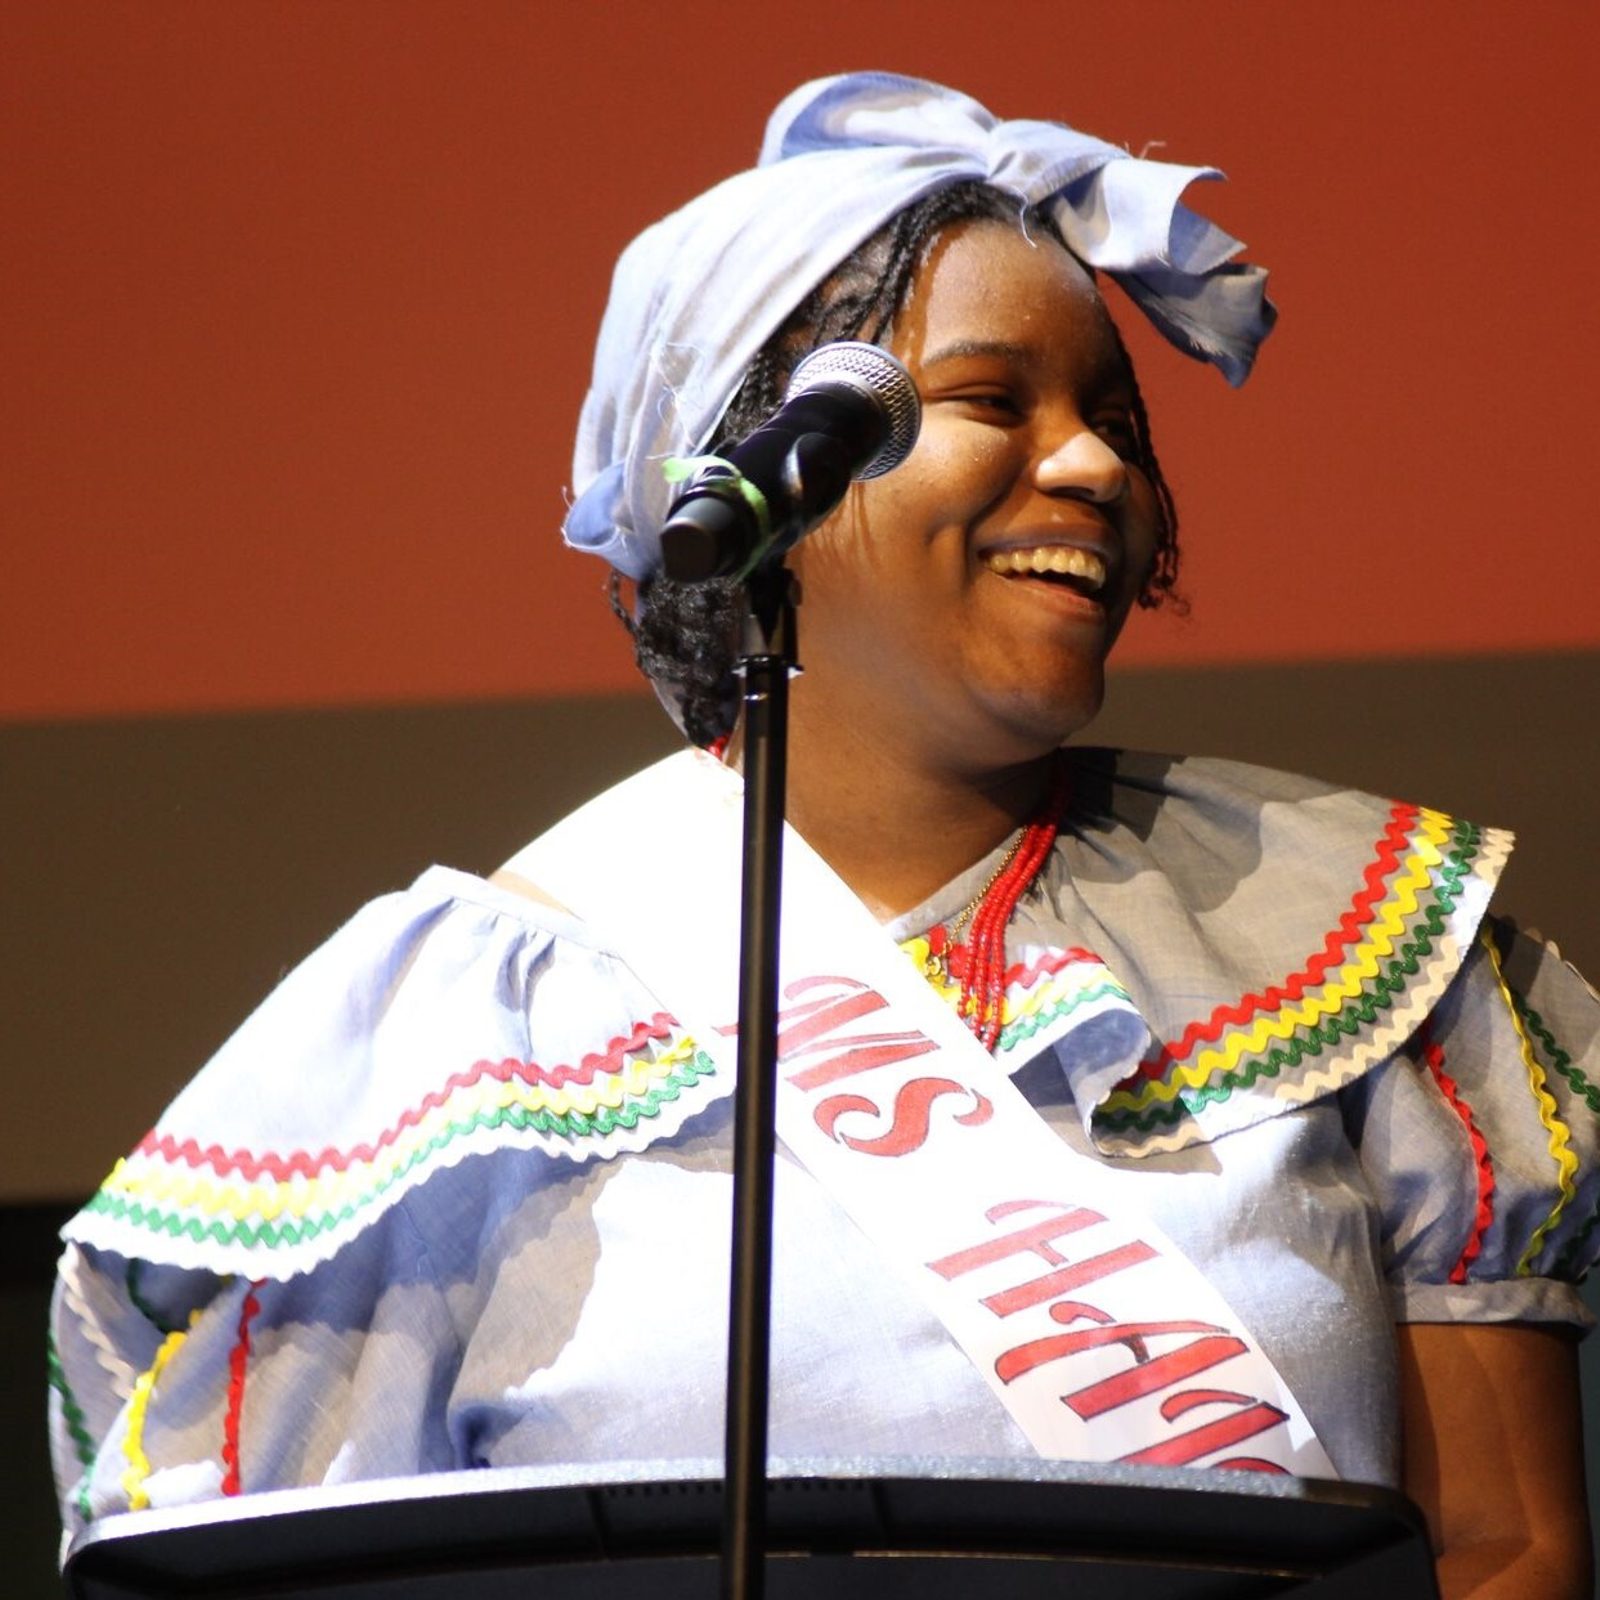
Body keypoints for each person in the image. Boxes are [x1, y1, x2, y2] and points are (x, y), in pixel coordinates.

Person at [48, 73, 1598, 1598]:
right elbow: (266, 1565)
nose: (1098, 468)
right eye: (994, 401)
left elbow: (1506, 1550)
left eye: (1113, 419)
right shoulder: (471, 1026)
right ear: (756, 477)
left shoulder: (1349, 941)